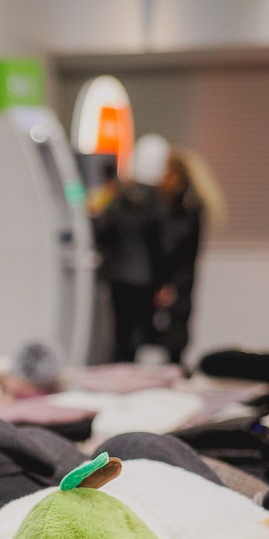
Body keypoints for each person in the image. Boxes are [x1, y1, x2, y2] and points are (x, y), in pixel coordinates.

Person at [92, 133, 169, 364]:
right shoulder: (159, 202)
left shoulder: (118, 197)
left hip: (118, 275)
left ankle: (118, 371)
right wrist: (163, 281)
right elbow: (161, 244)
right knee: (141, 334)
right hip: (146, 278)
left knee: (120, 333)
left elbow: (102, 230)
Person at [153, 147, 220, 365]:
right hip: (183, 277)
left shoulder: (184, 207)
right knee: (177, 328)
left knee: (174, 331)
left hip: (178, 278)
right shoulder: (190, 204)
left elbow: (173, 246)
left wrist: (165, 281)